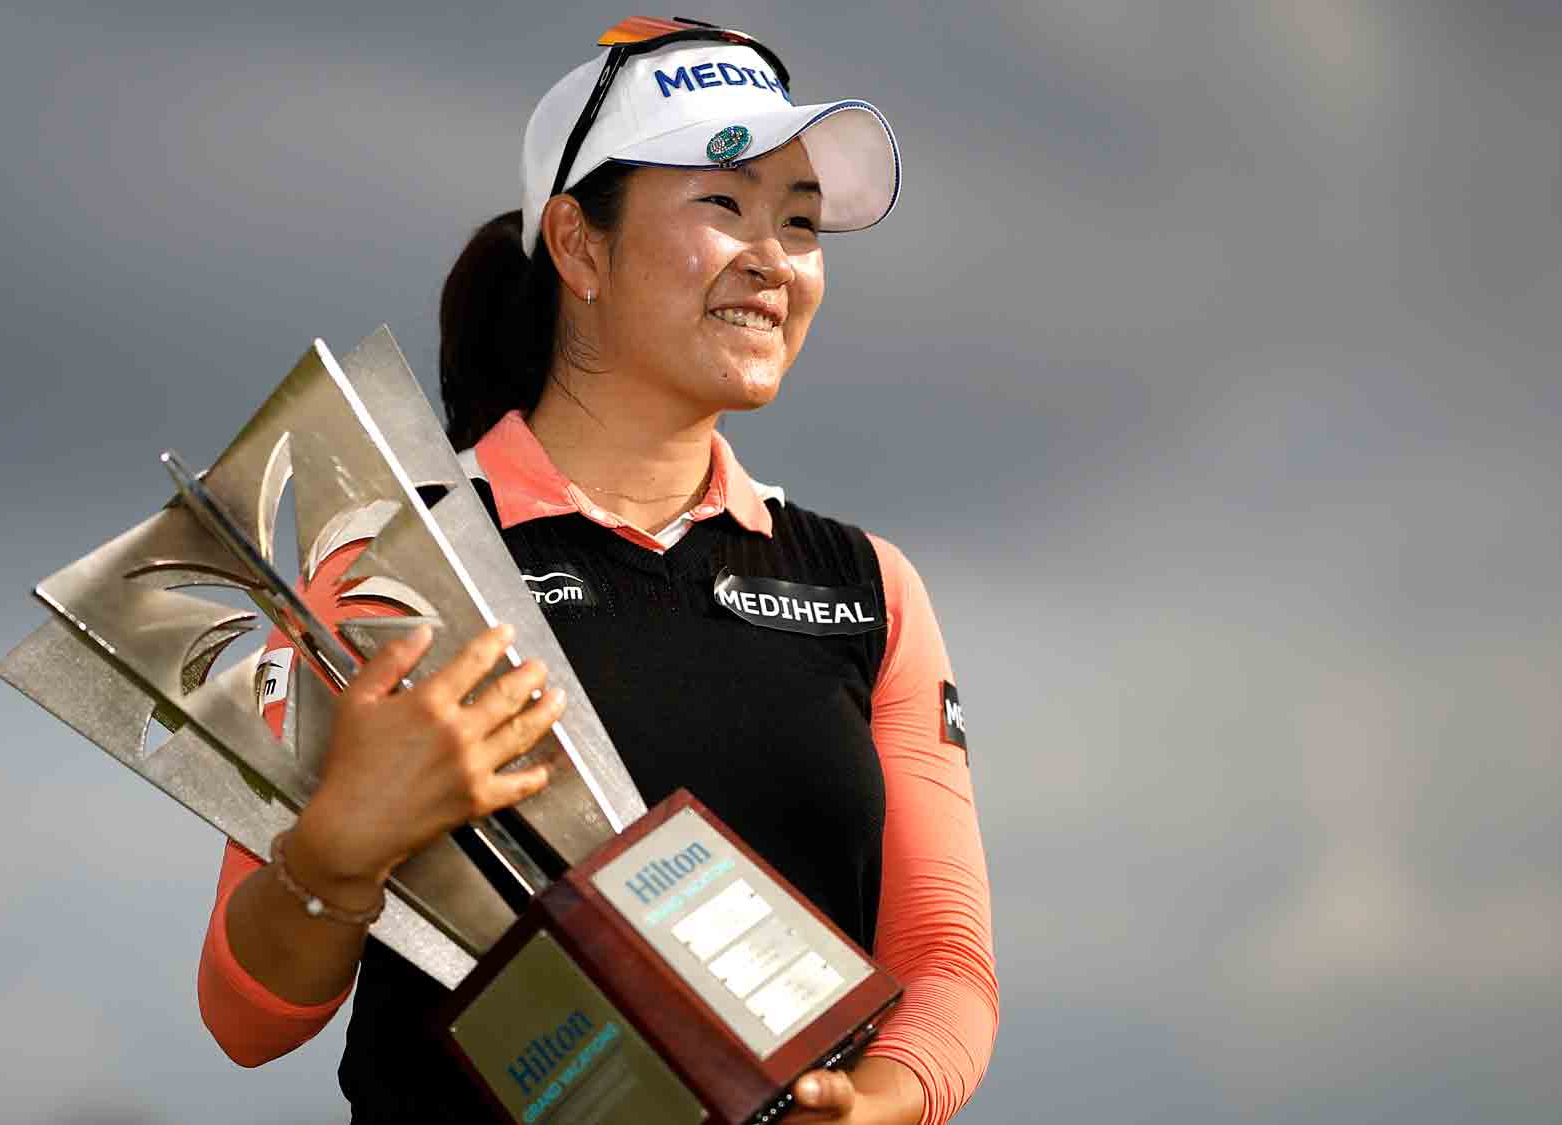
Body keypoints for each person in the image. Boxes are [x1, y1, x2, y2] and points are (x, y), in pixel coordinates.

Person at [195, 18, 997, 1124]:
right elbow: (247, 1021)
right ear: (576, 245)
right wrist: (339, 848)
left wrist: (885, 1101)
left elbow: (944, 961)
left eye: (800, 222)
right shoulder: (392, 565)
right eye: (721, 204)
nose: (771, 256)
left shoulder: (869, 588)